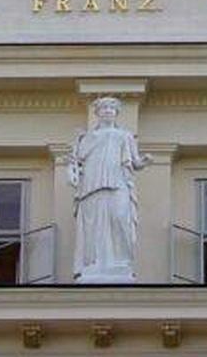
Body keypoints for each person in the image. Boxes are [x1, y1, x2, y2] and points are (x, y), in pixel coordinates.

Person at [68, 96, 152, 283]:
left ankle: (120, 261)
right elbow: (76, 161)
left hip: (118, 182)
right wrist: (74, 153)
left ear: (116, 113)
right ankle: (93, 263)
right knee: (93, 225)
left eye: (111, 109)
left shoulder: (124, 136)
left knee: (120, 218)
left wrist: (144, 161)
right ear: (98, 113)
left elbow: (135, 162)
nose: (107, 112)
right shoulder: (87, 137)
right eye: (104, 109)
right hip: (92, 184)